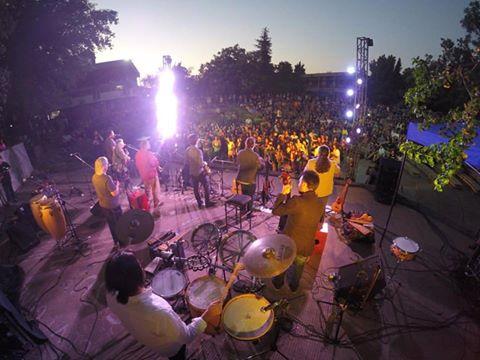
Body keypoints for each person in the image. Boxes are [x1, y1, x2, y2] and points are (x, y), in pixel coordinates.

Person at [105, 251, 222, 360]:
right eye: (140, 266)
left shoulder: (111, 296)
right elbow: (186, 336)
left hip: (147, 336)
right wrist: (207, 314)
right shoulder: (158, 311)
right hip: (171, 348)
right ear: (138, 276)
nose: (143, 268)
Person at [271, 170, 324, 292]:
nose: (298, 183)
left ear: (305, 185)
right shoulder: (320, 203)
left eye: (299, 181)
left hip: (290, 244)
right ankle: (294, 286)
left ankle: (277, 284)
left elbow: (276, 211)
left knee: (282, 264)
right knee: (298, 269)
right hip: (306, 246)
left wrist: (283, 193)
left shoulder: (297, 201)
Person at [91, 157, 122, 246]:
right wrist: (117, 185)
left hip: (103, 205)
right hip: (113, 205)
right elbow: (114, 193)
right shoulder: (106, 178)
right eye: (107, 164)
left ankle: (116, 242)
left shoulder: (94, 177)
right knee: (119, 223)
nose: (108, 165)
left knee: (111, 224)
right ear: (104, 166)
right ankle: (122, 241)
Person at [304, 145, 340, 212]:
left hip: (313, 191)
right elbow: (338, 173)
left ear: (318, 153)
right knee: (321, 211)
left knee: (310, 210)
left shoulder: (311, 162)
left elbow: (305, 173)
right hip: (325, 192)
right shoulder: (332, 164)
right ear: (328, 154)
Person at [185, 134, 215, 209]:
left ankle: (199, 203)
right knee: (206, 186)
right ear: (196, 141)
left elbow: (187, 162)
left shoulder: (187, 150)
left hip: (192, 171)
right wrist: (205, 163)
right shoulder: (198, 151)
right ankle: (207, 202)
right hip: (200, 172)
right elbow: (200, 163)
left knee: (196, 188)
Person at [235, 137, 262, 212]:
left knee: (243, 195)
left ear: (245, 144)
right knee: (250, 197)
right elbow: (259, 167)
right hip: (250, 181)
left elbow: (237, 163)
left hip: (240, 179)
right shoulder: (256, 156)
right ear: (253, 145)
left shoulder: (240, 152)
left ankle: (242, 210)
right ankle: (249, 213)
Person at [135, 138, 161, 216]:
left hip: (144, 175)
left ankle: (147, 208)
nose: (150, 145)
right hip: (151, 175)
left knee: (147, 192)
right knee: (155, 191)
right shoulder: (149, 153)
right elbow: (153, 163)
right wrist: (156, 160)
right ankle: (156, 210)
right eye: (148, 144)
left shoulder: (138, 154)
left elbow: (137, 165)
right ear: (145, 145)